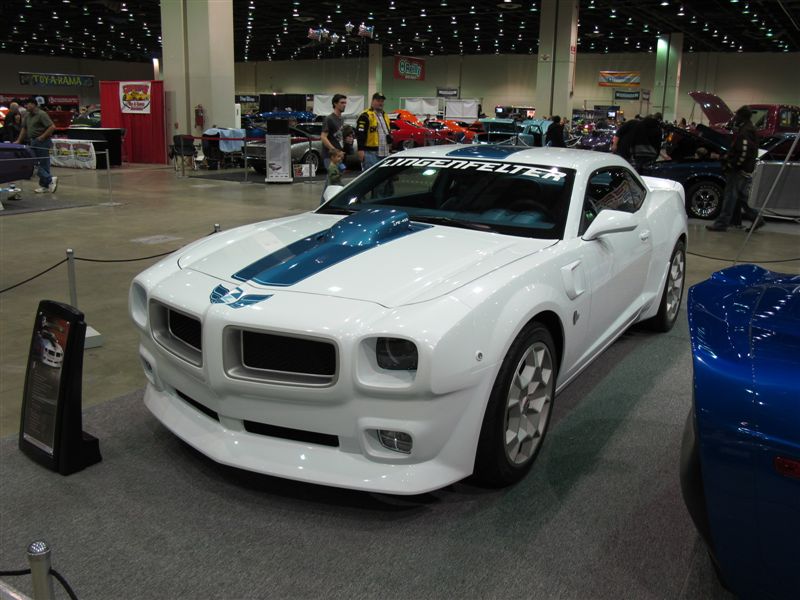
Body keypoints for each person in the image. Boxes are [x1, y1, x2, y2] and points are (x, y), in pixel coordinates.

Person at [706, 106, 763, 232]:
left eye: (736, 115)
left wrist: (732, 165)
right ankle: (756, 218)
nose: (734, 117)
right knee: (741, 199)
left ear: (742, 116)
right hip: (745, 169)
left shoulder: (745, 132)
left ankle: (721, 224)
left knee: (730, 197)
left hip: (738, 171)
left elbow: (743, 152)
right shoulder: (749, 129)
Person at [15, 98, 58, 193]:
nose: (26, 106)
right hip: (32, 141)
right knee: (33, 162)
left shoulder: (41, 114)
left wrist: (42, 137)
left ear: (34, 104)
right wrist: (18, 140)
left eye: (28, 104)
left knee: (43, 163)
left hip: (42, 142)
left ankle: (45, 185)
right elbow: (24, 129)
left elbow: (52, 127)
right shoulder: (27, 115)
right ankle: (49, 180)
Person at [356, 92, 392, 171]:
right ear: (372, 102)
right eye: (378, 100)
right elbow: (360, 134)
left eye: (382, 101)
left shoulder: (385, 115)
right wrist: (360, 150)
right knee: (370, 178)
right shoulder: (365, 115)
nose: (380, 103)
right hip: (371, 153)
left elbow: (387, 132)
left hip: (385, 152)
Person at [320, 93, 347, 169]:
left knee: (335, 179)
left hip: (338, 155)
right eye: (342, 103)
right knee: (333, 178)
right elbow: (323, 137)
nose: (344, 105)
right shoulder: (329, 119)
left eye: (345, 103)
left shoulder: (341, 119)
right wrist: (334, 150)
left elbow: (339, 137)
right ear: (335, 103)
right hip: (330, 156)